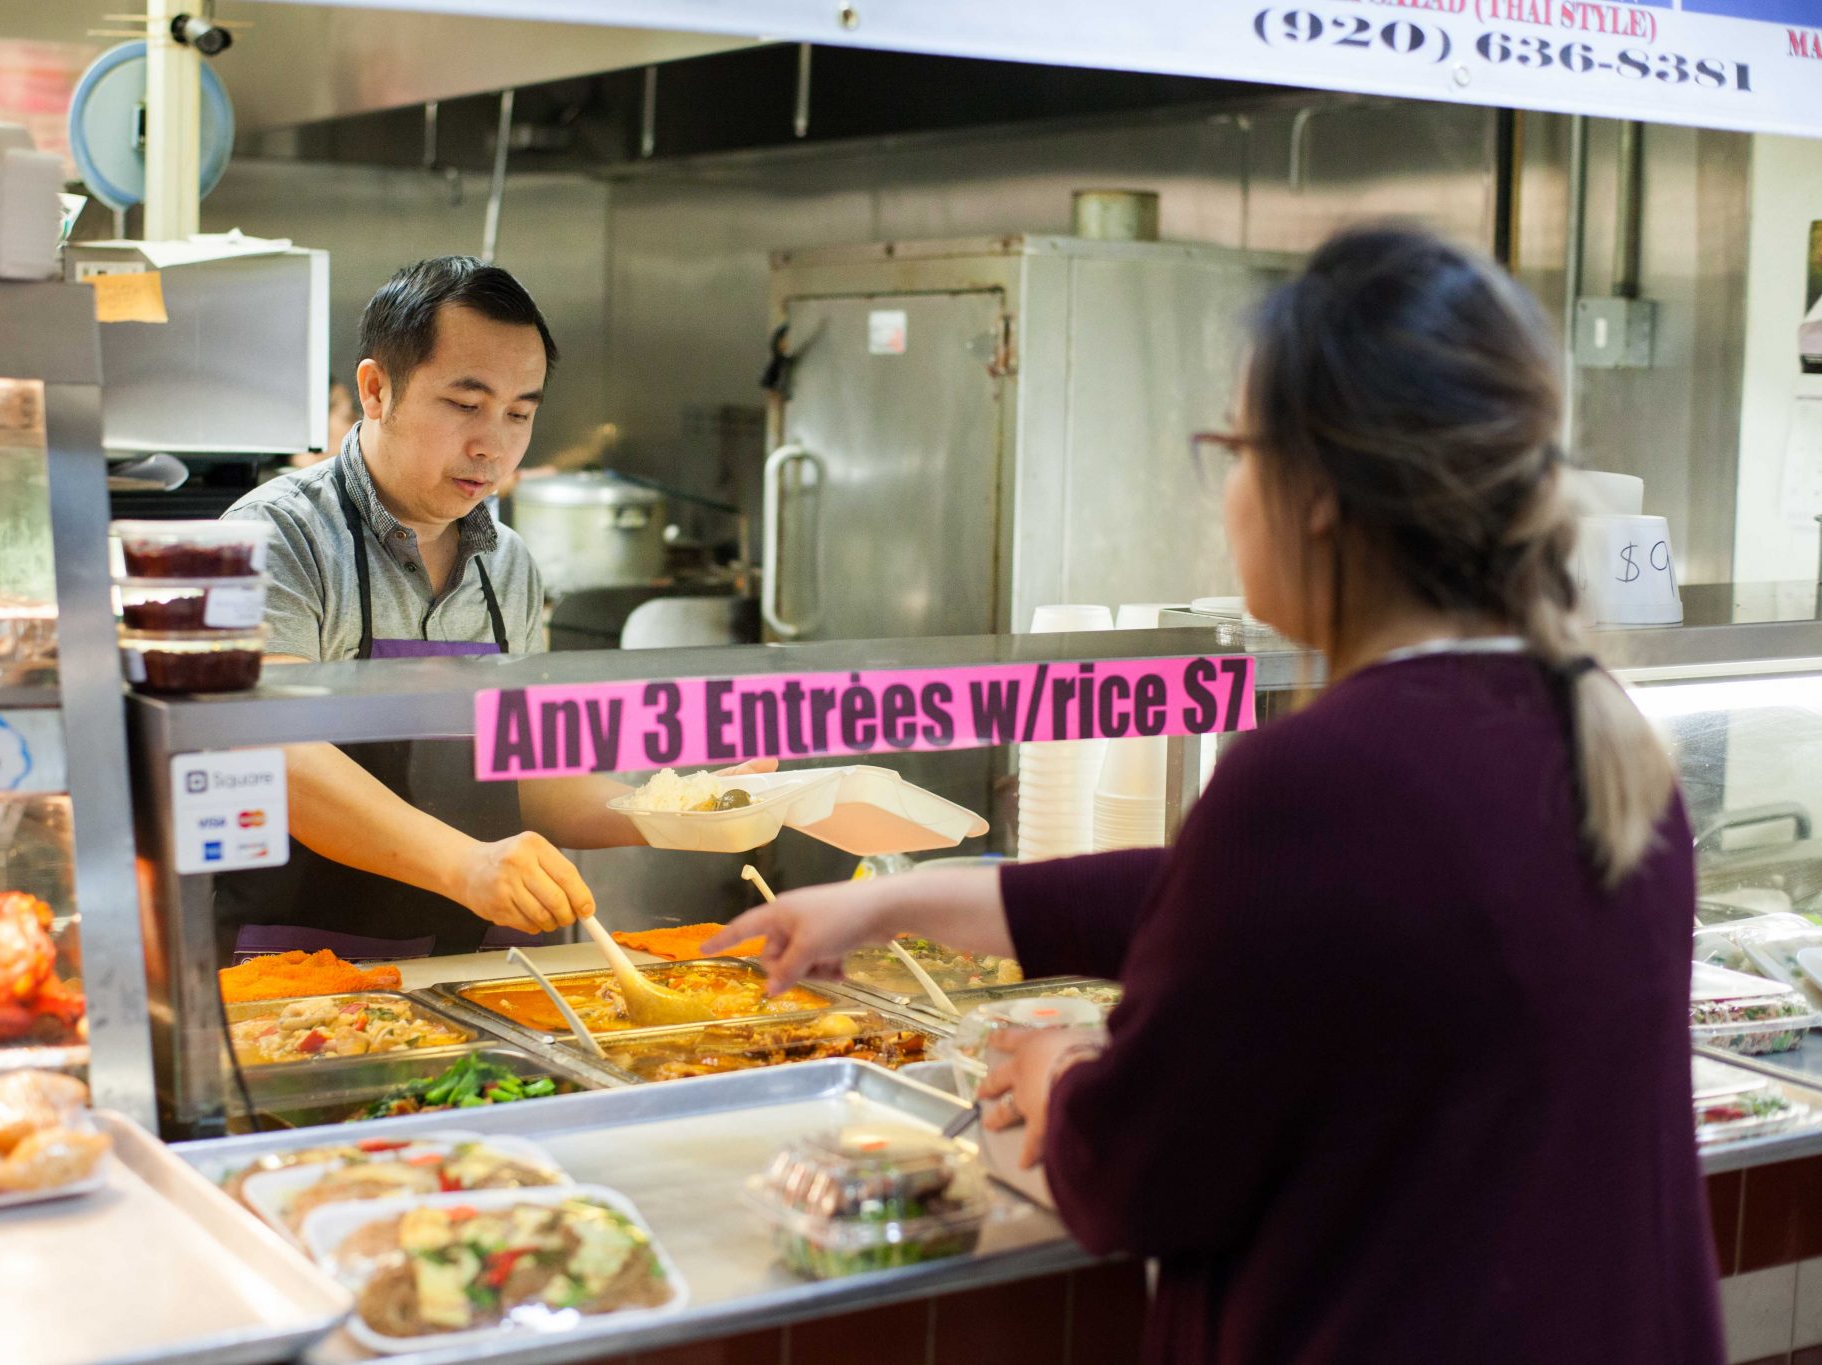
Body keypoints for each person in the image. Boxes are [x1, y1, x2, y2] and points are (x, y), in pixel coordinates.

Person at [708, 226, 1720, 1363]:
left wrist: (1058, 1077)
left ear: (1319, 490)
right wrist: (897, 902)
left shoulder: (1320, 775)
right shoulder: (1592, 735)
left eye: (1234, 447)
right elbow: (1243, 903)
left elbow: (1139, 1182)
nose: (1226, 490)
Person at [220, 256, 761, 958]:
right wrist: (465, 865)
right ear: (376, 389)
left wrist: (678, 811)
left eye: (518, 413)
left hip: (475, 970)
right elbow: (274, 749)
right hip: (301, 971)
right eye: (465, 404)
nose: (493, 445)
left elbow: (524, 773)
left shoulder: (509, 563)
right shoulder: (274, 536)